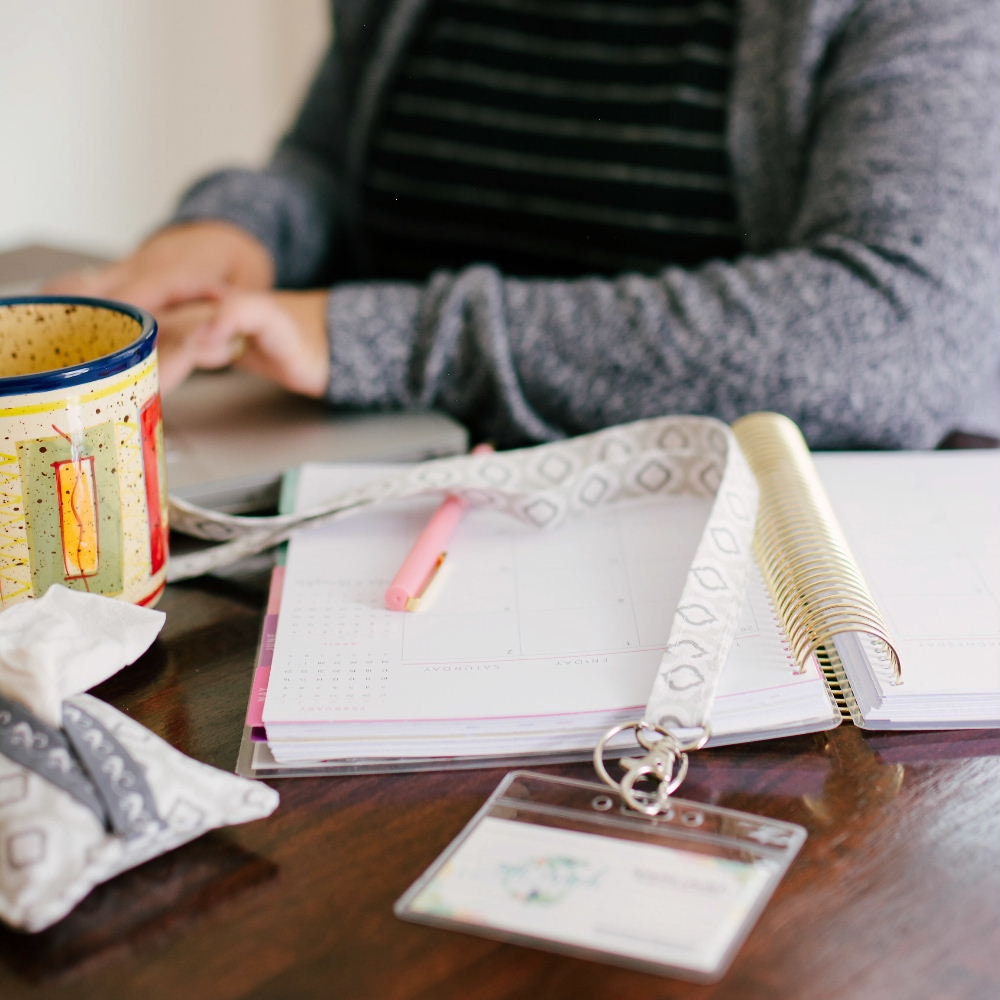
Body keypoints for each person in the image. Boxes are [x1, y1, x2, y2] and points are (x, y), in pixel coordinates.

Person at [47, 0, 1000, 451]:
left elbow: (903, 327)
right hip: (390, 480)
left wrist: (388, 339)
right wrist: (239, 227)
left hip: (731, 551)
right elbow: (329, 167)